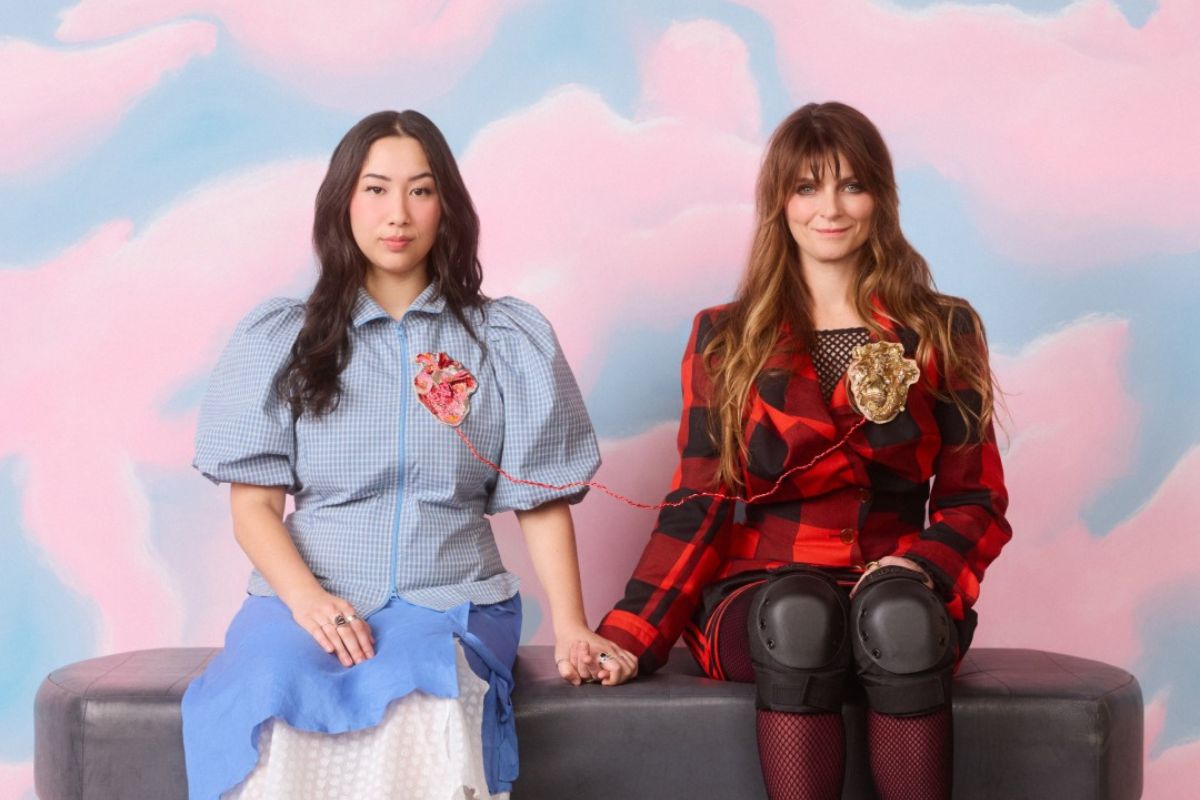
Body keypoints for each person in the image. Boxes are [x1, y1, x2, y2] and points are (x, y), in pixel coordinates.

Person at [182, 110, 635, 800]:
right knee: (272, 694)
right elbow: (255, 510)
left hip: (452, 595)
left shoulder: (502, 339)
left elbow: (540, 501)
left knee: (422, 702)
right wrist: (309, 601)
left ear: (445, 205)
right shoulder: (284, 339)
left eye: (420, 191)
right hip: (303, 597)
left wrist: (572, 625)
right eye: (376, 189)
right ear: (343, 202)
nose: (398, 213)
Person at [588, 102, 1012, 800]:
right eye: (807, 187)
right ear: (780, 203)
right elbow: (699, 502)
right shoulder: (725, 338)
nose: (830, 208)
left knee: (898, 617)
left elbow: (976, 498)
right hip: (762, 592)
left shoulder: (943, 328)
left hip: (894, 584)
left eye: (852, 185)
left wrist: (921, 565)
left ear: (880, 198)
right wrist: (630, 634)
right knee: (800, 614)